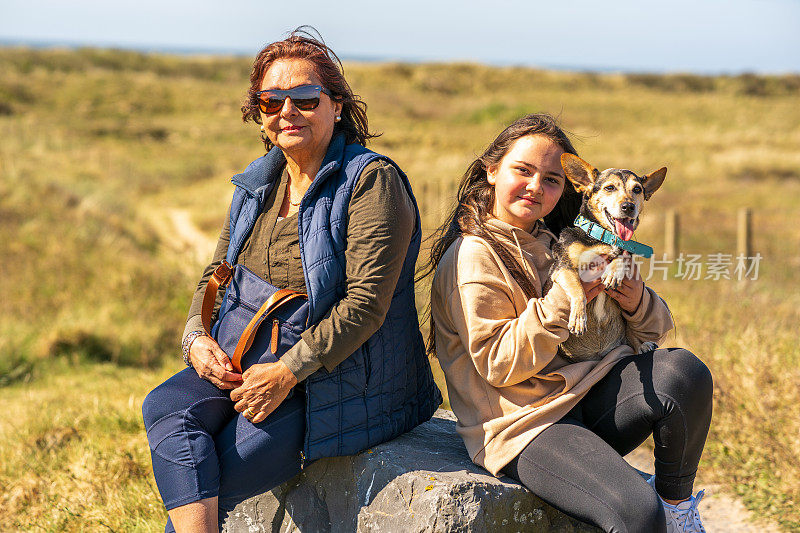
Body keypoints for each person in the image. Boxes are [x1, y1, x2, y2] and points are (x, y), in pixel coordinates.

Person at [142, 28, 441, 532]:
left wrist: (286, 373)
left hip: (332, 379)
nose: (287, 112)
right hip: (243, 358)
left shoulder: (371, 182)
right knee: (164, 408)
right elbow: (216, 277)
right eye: (271, 101)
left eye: (305, 99)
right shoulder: (259, 183)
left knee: (216, 464)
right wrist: (195, 337)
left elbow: (365, 306)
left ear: (337, 106)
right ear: (257, 112)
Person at [425, 113, 712, 532]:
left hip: (583, 396)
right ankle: (653, 512)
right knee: (636, 514)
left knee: (684, 372)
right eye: (522, 171)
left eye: (552, 179)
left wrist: (636, 300)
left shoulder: (555, 239)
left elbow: (654, 330)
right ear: (492, 170)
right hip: (526, 424)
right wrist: (566, 297)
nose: (536, 187)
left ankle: (677, 509)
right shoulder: (474, 256)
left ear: (567, 188)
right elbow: (500, 366)